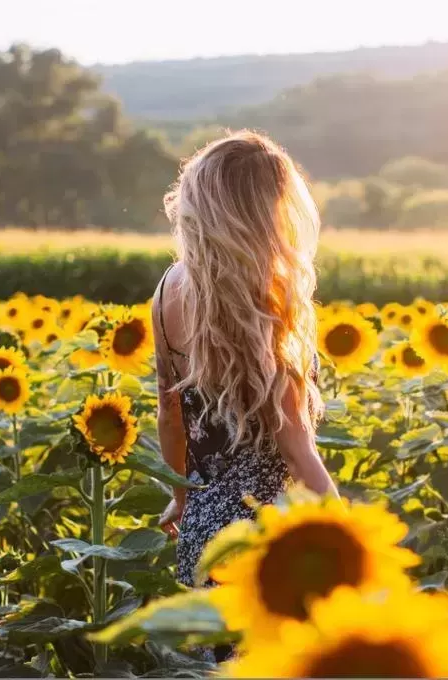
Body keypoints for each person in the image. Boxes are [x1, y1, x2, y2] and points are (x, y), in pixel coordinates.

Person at [152, 130, 338, 596]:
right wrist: (350, 545)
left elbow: (169, 413)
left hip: (202, 535)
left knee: (212, 666)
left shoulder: (166, 291)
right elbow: (298, 450)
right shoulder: (267, 306)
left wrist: (181, 498)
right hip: (266, 534)